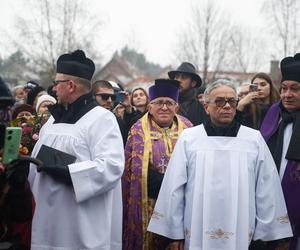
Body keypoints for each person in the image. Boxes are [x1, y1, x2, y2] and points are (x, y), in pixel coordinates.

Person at [148, 79, 292, 250]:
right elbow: (174, 189)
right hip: (196, 231)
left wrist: (266, 234)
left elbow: (267, 188)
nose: (227, 106)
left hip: (243, 232)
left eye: (232, 101)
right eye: (219, 101)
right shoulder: (189, 138)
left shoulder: (253, 139)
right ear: (206, 107)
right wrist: (173, 234)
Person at [28, 50, 125, 250]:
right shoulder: (52, 121)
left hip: (83, 230)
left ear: (70, 86)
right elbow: (37, 165)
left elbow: (112, 166)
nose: (53, 88)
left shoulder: (102, 119)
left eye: (57, 82)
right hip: (47, 228)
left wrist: (68, 171)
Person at [122, 79, 192, 250]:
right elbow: (131, 172)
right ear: (149, 107)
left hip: (181, 201)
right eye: (159, 103)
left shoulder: (189, 129)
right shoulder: (137, 130)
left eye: (169, 103)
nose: (164, 107)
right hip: (149, 200)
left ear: (176, 107)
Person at [260, 53, 300, 249]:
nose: (287, 94)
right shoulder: (274, 115)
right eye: (283, 88)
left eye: (295, 89)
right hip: (272, 204)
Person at [92, 80, 128, 145]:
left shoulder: (118, 122)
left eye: (112, 97)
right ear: (93, 97)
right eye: (104, 97)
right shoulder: (83, 118)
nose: (109, 100)